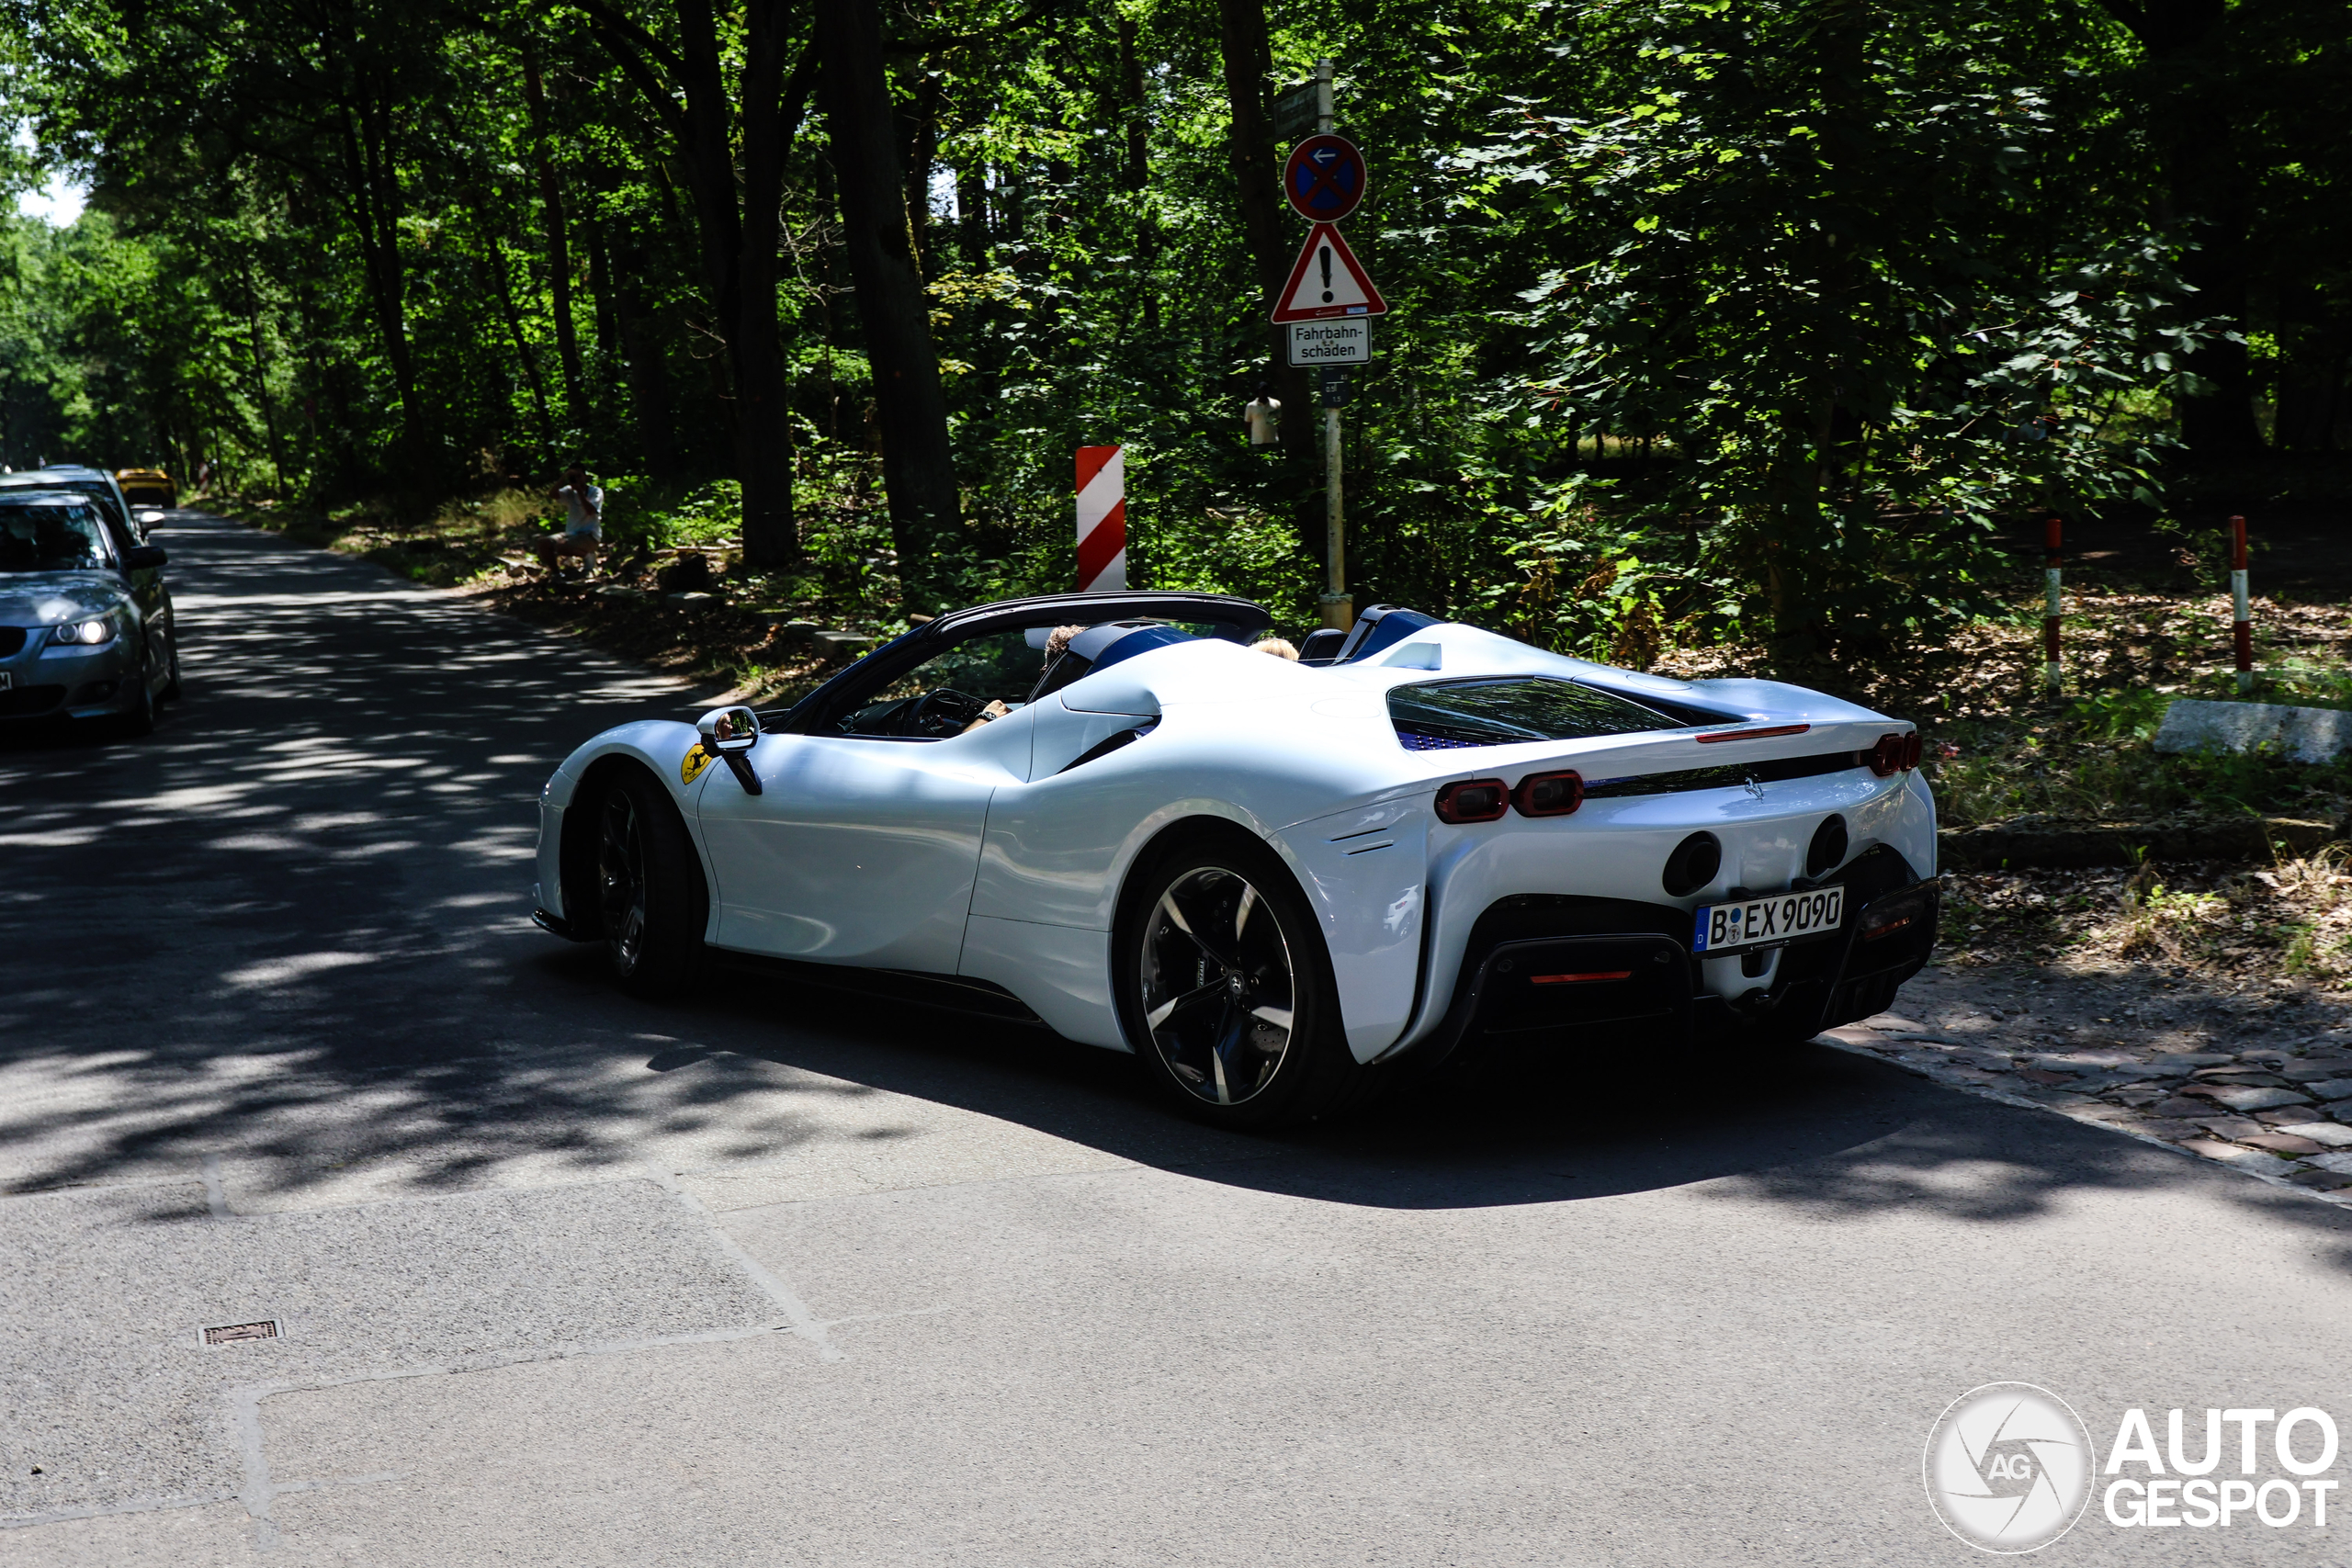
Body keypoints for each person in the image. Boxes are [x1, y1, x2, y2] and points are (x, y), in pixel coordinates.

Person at [537, 465, 605, 575]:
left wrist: (579, 492)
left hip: (590, 536)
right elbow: (552, 494)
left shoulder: (595, 491)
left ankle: (589, 556)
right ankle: (557, 574)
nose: (577, 479)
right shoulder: (569, 491)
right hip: (571, 534)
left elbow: (590, 511)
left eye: (579, 475)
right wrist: (564, 477)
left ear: (585, 476)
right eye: (574, 476)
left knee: (561, 546)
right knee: (544, 543)